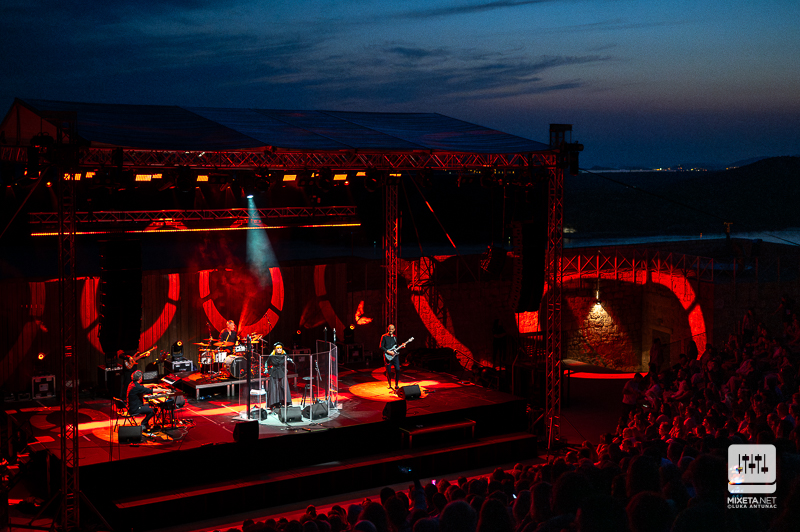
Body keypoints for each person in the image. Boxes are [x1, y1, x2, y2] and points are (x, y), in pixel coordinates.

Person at [266, 342, 292, 409]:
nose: (280, 349)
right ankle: (274, 403)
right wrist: (266, 369)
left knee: (284, 386)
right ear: (275, 349)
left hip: (282, 371)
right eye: (278, 348)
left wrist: (290, 360)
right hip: (274, 372)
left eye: (280, 348)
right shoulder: (272, 356)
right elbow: (266, 362)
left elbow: (288, 359)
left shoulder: (284, 355)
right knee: (274, 387)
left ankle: (285, 402)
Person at [380, 324, 400, 390]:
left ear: (394, 330)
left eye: (392, 329)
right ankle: (389, 384)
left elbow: (396, 346)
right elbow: (381, 346)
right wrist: (388, 351)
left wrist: (402, 346)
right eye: (389, 329)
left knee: (398, 369)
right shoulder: (384, 336)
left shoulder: (395, 337)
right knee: (388, 371)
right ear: (388, 329)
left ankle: (396, 384)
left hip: (395, 356)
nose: (390, 330)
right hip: (387, 356)